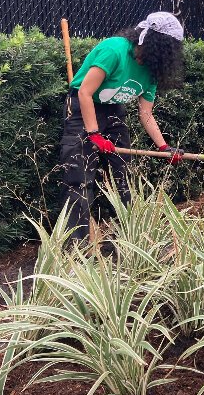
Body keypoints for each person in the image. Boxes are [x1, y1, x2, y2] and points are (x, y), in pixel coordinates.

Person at [60, 12, 185, 241]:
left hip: (113, 111)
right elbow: (85, 92)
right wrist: (94, 134)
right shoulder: (114, 50)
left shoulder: (151, 71)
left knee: (122, 177)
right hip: (83, 108)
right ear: (157, 44)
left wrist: (164, 147)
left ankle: (127, 240)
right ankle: (74, 249)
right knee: (79, 178)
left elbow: (146, 113)